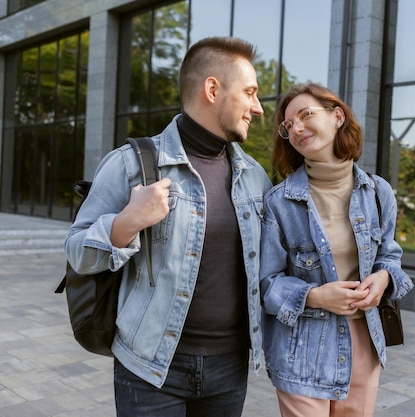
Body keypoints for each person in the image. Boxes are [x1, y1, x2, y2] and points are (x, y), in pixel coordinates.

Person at [65, 36, 272, 417]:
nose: (257, 108)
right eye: (250, 92)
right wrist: (127, 222)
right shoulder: (131, 164)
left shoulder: (255, 177)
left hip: (230, 369)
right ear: (213, 89)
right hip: (149, 367)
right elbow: (78, 253)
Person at [259, 83, 414, 417]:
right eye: (288, 126)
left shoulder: (377, 191)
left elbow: (390, 256)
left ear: (337, 116)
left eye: (305, 115)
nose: (296, 128)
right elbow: (266, 283)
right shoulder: (279, 202)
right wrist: (315, 296)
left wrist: (384, 278)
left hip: (364, 343)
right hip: (302, 348)